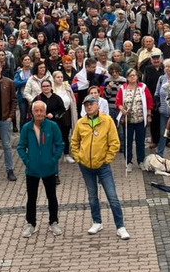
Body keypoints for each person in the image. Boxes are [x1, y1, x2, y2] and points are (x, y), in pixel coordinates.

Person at [71, 94, 130, 240]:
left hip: (103, 166)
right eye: (86, 105)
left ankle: (120, 226)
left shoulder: (107, 121)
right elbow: (74, 142)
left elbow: (114, 143)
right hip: (86, 166)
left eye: (91, 104)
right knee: (92, 197)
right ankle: (97, 222)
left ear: (97, 105)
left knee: (112, 197)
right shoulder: (81, 123)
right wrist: (79, 158)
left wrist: (107, 159)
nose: (89, 106)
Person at [17, 98, 64, 237]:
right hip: (32, 170)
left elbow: (60, 144)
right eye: (36, 111)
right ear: (32, 112)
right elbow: (20, 146)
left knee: (52, 197)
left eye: (41, 111)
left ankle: (53, 222)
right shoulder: (27, 128)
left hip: (49, 169)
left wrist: (53, 160)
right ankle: (31, 223)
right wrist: (27, 161)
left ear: (45, 112)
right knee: (31, 198)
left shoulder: (52, 126)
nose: (39, 113)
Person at [115, 70, 151, 172]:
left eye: (134, 75)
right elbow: (118, 102)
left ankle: (141, 161)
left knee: (140, 142)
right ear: (126, 77)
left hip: (140, 119)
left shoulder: (143, 87)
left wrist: (148, 115)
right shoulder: (123, 88)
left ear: (137, 76)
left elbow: (149, 101)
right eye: (130, 76)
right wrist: (122, 110)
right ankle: (129, 161)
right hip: (128, 120)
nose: (132, 77)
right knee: (128, 142)